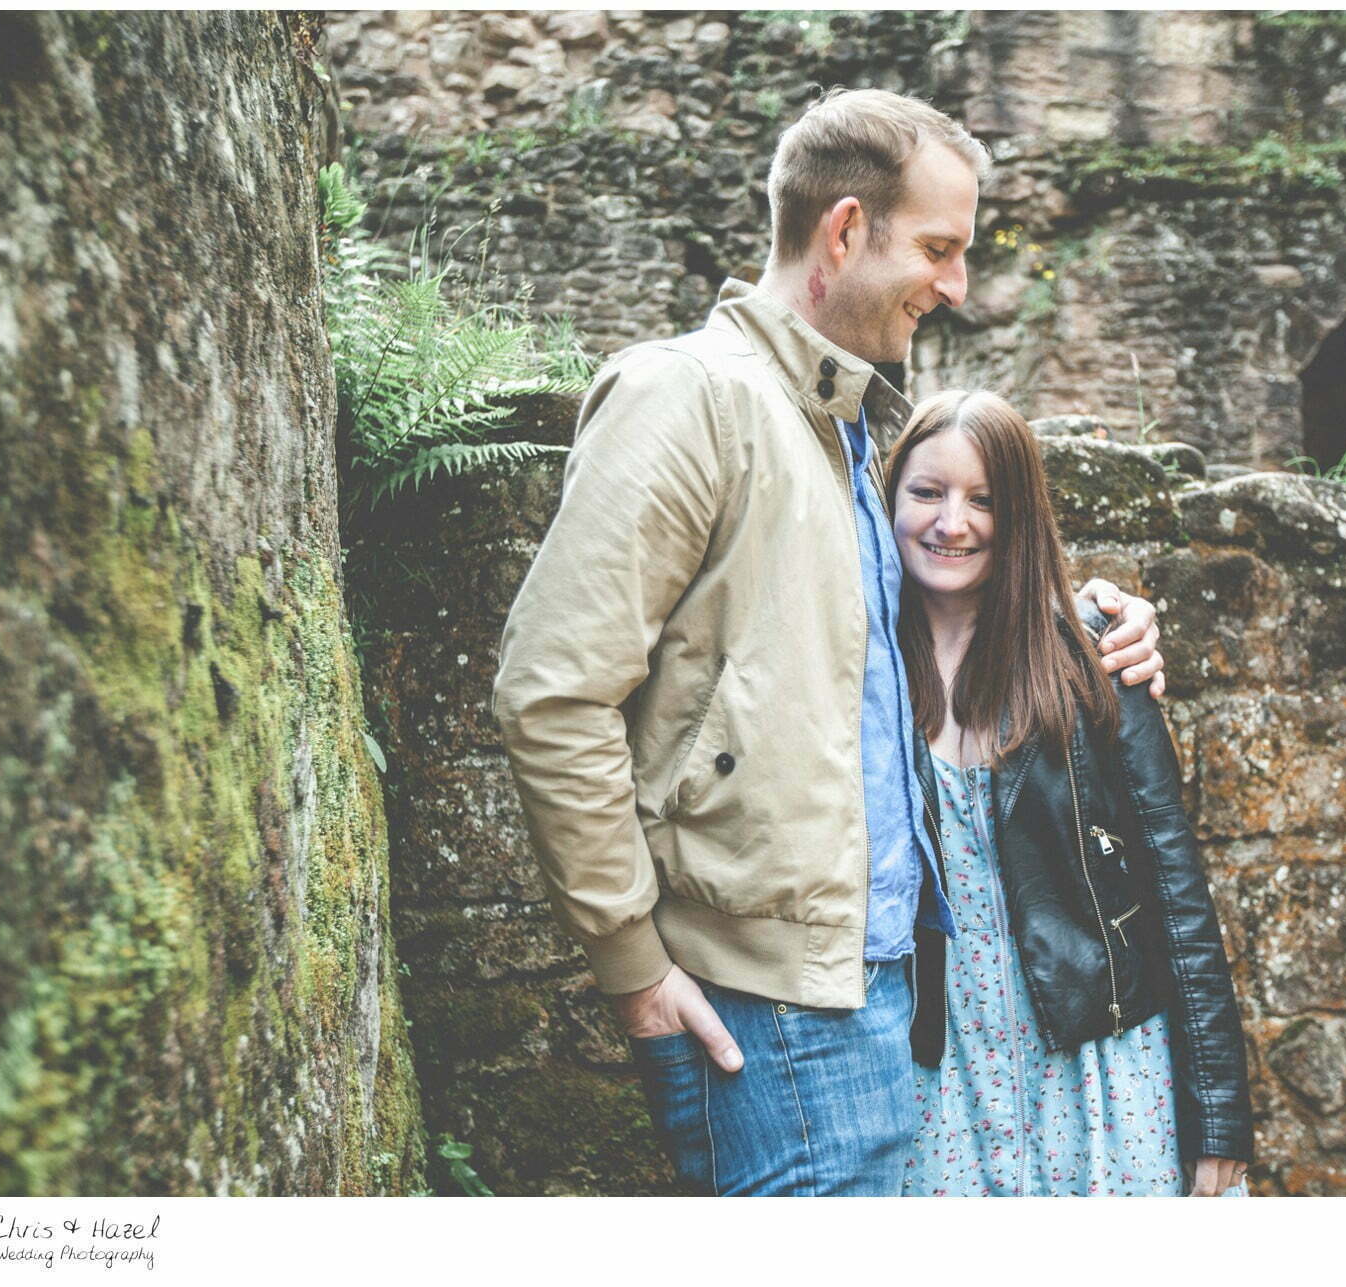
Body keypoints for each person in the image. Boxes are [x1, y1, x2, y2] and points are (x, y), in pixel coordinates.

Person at [492, 88, 1170, 1197]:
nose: (956, 287)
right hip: (772, 1007)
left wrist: (1100, 613)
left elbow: (914, 611)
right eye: (940, 249)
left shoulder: (848, 430)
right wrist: (633, 966)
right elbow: (550, 694)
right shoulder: (691, 397)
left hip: (877, 992)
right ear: (845, 230)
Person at [885, 389, 1253, 1196]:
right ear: (890, 498)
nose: (954, 522)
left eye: (984, 498)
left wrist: (1218, 1114)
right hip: (936, 1072)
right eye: (927, 492)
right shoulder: (863, 664)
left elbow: (1176, 887)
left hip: (1101, 1068)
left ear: (1019, 515)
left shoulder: (1094, 657)